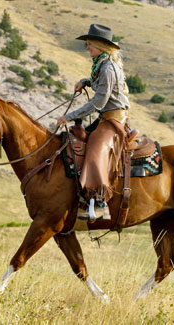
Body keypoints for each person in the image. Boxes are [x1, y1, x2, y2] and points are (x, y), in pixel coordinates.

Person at [56, 24, 130, 220]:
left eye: (89, 44)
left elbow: (99, 102)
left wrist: (69, 116)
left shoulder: (108, 67)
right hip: (105, 117)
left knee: (96, 146)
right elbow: (100, 85)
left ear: (100, 46)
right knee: (77, 139)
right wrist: (86, 81)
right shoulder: (101, 64)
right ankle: (81, 195)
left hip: (113, 119)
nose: (87, 48)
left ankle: (99, 202)